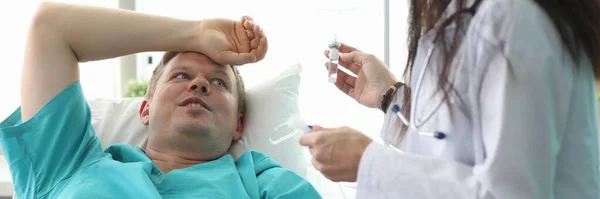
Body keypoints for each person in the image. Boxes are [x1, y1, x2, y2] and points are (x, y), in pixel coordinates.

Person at [0, 2, 321, 199]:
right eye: (181, 76)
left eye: (218, 82)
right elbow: (51, 26)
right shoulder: (69, 162)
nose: (199, 84)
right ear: (145, 108)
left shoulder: (265, 182)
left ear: (239, 124)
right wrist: (195, 33)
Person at [300, 0, 600, 198]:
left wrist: (368, 162)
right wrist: (390, 98)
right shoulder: (461, 17)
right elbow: (457, 150)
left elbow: (510, 192)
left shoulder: (515, 20)